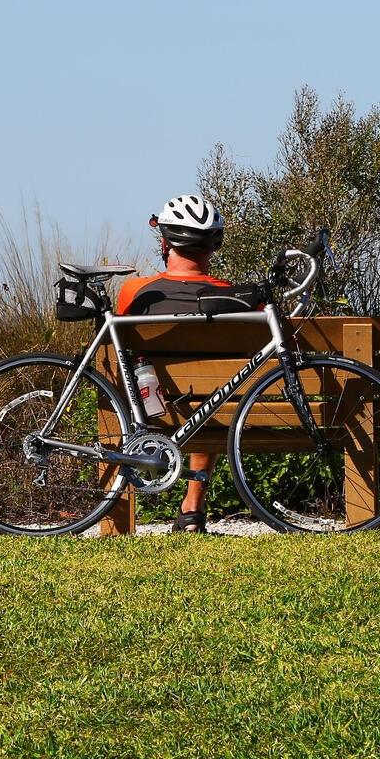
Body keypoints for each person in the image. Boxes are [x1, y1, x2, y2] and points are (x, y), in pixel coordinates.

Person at [116, 194, 230, 533]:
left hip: (148, 409)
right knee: (211, 399)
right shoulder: (232, 297)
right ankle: (192, 507)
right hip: (213, 415)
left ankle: (116, 516)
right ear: (212, 247)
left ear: (165, 243)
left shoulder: (135, 292)